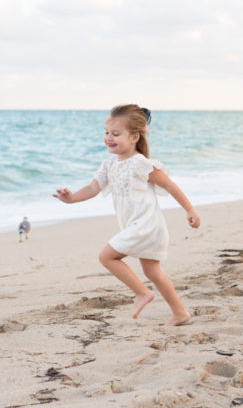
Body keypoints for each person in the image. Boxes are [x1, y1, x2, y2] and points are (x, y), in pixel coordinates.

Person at [53, 104, 200, 325]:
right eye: (106, 133)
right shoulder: (109, 164)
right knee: (153, 272)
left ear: (134, 137)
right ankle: (180, 312)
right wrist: (71, 198)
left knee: (106, 256)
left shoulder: (140, 163)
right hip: (138, 227)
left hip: (145, 225)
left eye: (116, 134)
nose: (109, 138)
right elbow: (93, 188)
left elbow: (170, 186)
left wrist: (189, 209)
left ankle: (142, 293)